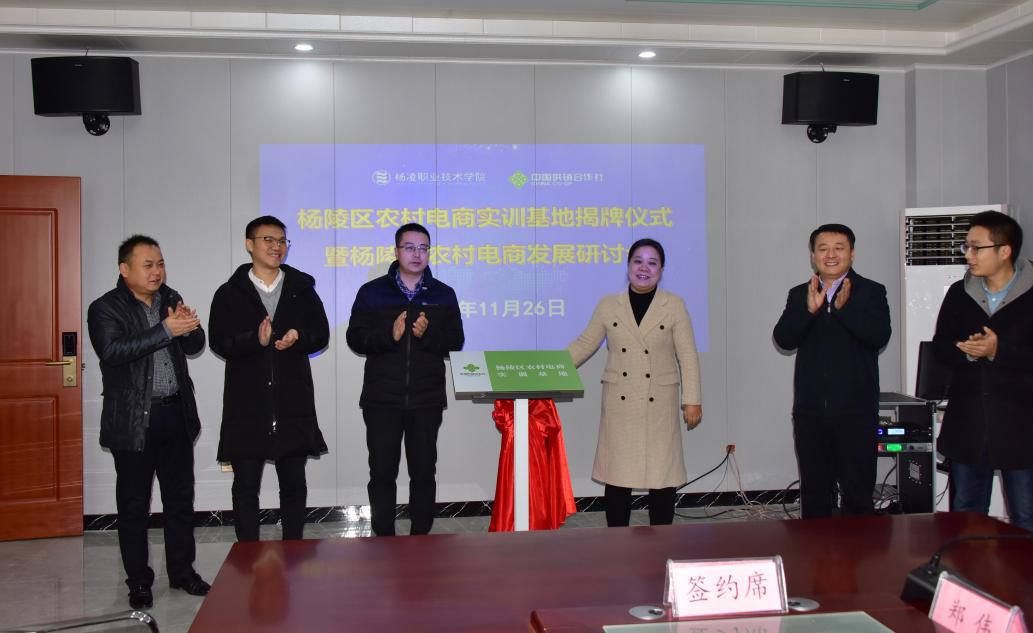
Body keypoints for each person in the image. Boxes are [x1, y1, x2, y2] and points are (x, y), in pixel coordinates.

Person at [87, 235, 210, 608]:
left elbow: (194, 346)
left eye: (160, 264)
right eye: (148, 265)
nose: (157, 272)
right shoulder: (105, 308)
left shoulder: (170, 297)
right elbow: (113, 352)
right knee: (134, 506)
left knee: (179, 499)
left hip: (175, 413)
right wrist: (166, 330)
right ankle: (139, 581)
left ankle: (183, 572)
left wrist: (189, 326)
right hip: (133, 420)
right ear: (125, 269)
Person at [209, 216, 329, 542]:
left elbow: (320, 334)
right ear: (249, 244)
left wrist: (298, 337)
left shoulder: (301, 289)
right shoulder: (230, 293)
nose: (277, 247)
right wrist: (255, 340)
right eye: (268, 240)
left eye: (282, 241)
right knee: (246, 486)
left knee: (294, 484)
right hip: (247, 405)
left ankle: (294, 550)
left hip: (292, 403)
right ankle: (247, 554)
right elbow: (219, 341)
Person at [567, 238, 702, 527]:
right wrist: (548, 369)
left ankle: (662, 540)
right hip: (621, 402)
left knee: (662, 477)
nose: (644, 268)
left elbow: (688, 355)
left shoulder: (674, 305)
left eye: (652, 263)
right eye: (638, 261)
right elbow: (584, 344)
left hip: (659, 403)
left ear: (661, 269)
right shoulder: (609, 305)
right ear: (628, 266)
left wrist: (692, 400)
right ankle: (617, 541)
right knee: (618, 476)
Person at [346, 223, 465, 536]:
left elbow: (455, 342)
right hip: (382, 399)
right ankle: (384, 537)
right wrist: (389, 335)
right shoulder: (372, 292)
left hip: (426, 399)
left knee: (423, 472)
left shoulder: (443, 294)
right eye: (409, 247)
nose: (417, 254)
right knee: (382, 472)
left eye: (423, 248)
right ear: (397, 251)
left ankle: (420, 539)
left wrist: (428, 335)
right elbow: (355, 338)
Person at [773, 223, 891, 518]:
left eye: (839, 248)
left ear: (852, 253)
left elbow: (878, 337)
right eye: (823, 249)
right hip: (811, 411)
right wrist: (809, 311)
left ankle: (859, 548)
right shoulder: (800, 293)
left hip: (856, 411)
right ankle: (816, 548)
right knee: (815, 493)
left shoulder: (871, 291)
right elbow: (784, 339)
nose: (831, 255)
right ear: (813, 256)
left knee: (858, 494)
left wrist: (843, 309)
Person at [933, 211, 1033, 532]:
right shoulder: (959, 293)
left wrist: (998, 351)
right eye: (967, 247)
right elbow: (940, 346)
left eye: (977, 247)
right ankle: (967, 568)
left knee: (1026, 518)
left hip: (1022, 426)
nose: (969, 255)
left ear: (1005, 251)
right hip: (969, 423)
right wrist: (966, 351)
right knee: (966, 518)